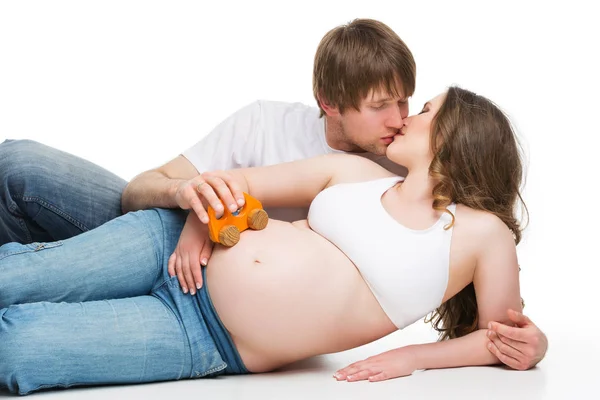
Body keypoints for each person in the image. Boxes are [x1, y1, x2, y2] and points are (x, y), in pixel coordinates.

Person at [0, 19, 546, 371]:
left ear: (458, 139)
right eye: (385, 105)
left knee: (21, 345)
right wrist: (194, 216)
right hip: (170, 238)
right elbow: (210, 184)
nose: (401, 117)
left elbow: (504, 334)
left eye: (415, 106)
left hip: (210, 337)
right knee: (17, 251)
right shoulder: (344, 165)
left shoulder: (478, 231)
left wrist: (414, 358)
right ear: (329, 102)